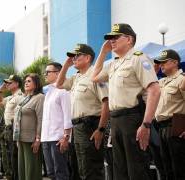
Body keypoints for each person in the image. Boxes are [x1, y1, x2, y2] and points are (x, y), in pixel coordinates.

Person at [92, 23, 160, 180]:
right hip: (116, 120)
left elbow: (154, 90)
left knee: (136, 168)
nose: (112, 41)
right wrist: (103, 51)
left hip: (133, 119)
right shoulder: (114, 63)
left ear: (129, 39)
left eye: (116, 37)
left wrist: (146, 124)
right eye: (110, 38)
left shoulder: (138, 58)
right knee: (119, 169)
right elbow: (94, 77)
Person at [56, 43, 109, 180]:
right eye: (73, 57)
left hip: (91, 125)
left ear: (88, 58)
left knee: (92, 169)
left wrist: (101, 129)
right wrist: (66, 65)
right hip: (78, 127)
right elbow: (59, 84)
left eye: (77, 55)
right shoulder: (77, 77)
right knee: (82, 169)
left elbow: (106, 102)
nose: (74, 58)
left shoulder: (95, 75)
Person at [154, 49, 185, 180]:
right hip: (161, 127)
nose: (161, 65)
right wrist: (153, 71)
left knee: (179, 167)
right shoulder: (161, 82)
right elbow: (145, 88)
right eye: (159, 63)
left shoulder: (182, 80)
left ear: (175, 62)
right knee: (166, 167)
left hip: (177, 124)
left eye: (164, 62)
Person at [41, 62, 72, 180]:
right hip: (46, 138)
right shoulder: (47, 92)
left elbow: (67, 116)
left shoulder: (63, 90)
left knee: (61, 172)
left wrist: (66, 137)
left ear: (58, 73)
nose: (45, 74)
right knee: (50, 173)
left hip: (58, 139)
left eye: (48, 72)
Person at [14, 73, 44, 180]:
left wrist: (38, 138)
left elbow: (40, 119)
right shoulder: (24, 99)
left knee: (32, 169)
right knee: (22, 169)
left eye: (29, 81)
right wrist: (17, 138)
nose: (26, 83)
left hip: (31, 139)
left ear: (36, 84)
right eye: (25, 81)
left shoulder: (39, 97)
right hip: (21, 138)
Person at [0, 74, 23, 180]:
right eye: (6, 83)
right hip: (8, 129)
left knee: (14, 156)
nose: (6, 85)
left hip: (14, 128)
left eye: (9, 83)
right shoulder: (10, 97)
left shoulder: (20, 96)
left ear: (16, 83)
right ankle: (11, 176)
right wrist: (0, 90)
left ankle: (16, 176)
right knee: (9, 156)